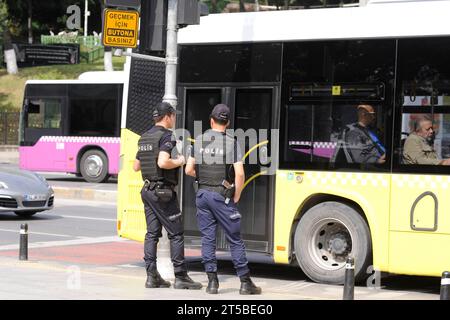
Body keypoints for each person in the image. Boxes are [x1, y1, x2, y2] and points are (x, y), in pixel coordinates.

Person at [185, 104, 262, 295]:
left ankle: (212, 283)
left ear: (211, 121)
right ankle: (245, 283)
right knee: (235, 239)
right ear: (227, 123)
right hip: (222, 196)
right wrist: (236, 193)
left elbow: (188, 170)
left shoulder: (200, 140)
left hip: (202, 195)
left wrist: (202, 177)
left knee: (207, 240)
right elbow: (240, 174)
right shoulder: (232, 143)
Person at [133, 101, 202, 290]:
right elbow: (163, 162)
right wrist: (180, 160)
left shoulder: (145, 137)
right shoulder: (167, 137)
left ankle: (151, 276)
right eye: (174, 115)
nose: (174, 118)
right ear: (168, 116)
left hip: (147, 190)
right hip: (163, 192)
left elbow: (136, 166)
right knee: (176, 233)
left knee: (152, 234)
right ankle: (181, 277)